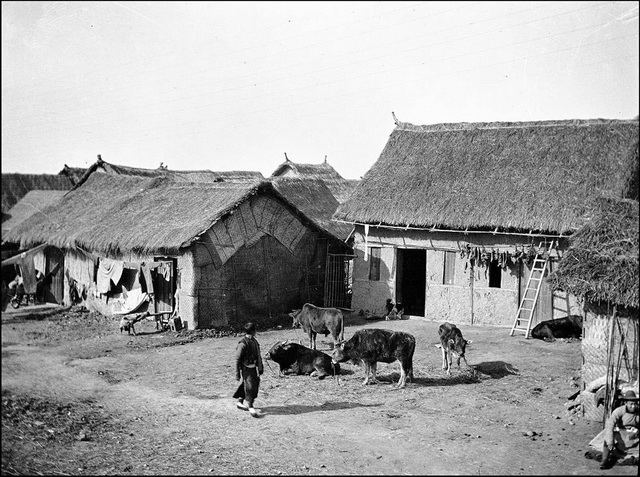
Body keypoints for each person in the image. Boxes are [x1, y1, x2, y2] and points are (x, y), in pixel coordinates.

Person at [600, 389, 639, 469]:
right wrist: (610, 441)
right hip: (620, 434)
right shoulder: (619, 411)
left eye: (635, 404)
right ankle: (605, 459)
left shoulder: (638, 411)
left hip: (633, 436)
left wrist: (637, 431)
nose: (633, 406)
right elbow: (610, 424)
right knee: (607, 438)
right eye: (631, 404)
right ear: (626, 403)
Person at [232, 322, 264, 417]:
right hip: (246, 368)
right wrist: (237, 373)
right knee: (250, 386)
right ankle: (250, 406)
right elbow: (237, 359)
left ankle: (240, 401)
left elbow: (258, 355)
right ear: (253, 331)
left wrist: (260, 367)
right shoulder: (243, 344)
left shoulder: (254, 342)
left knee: (248, 383)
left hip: (253, 367)